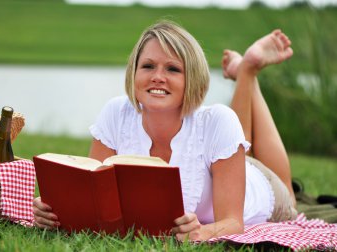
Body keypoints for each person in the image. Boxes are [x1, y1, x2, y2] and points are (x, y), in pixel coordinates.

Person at [33, 20, 297, 241]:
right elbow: (94, 199)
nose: (157, 76)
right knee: (239, 141)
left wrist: (203, 232)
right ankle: (244, 72)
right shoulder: (116, 112)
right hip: (222, 164)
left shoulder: (218, 120)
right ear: (134, 73)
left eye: (172, 69)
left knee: (282, 185)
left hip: (259, 186)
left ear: (192, 78)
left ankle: (247, 70)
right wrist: (54, 213)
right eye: (148, 66)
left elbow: (232, 222)